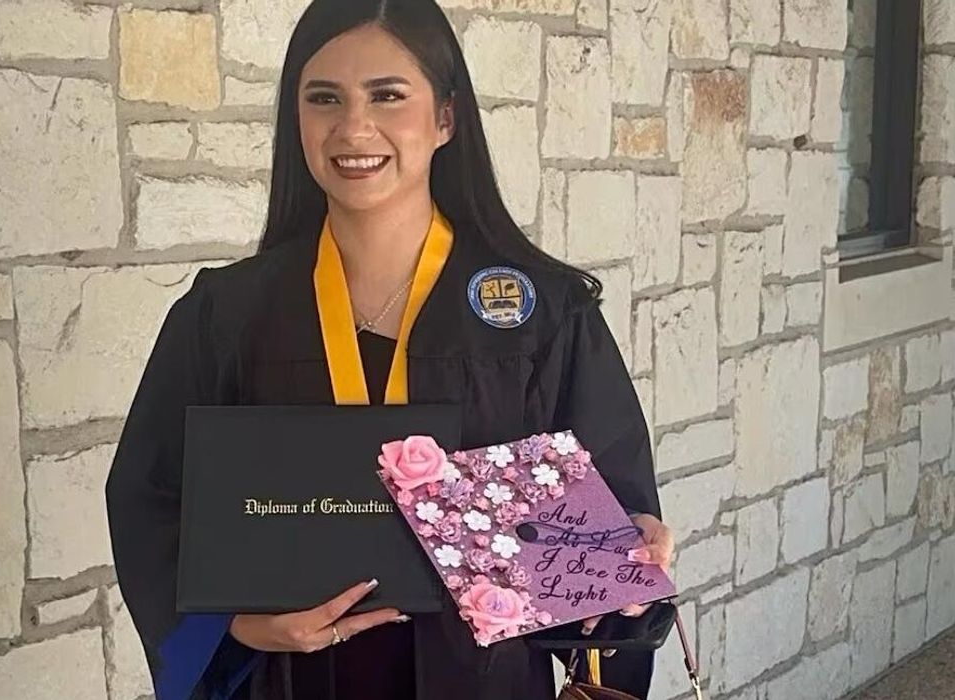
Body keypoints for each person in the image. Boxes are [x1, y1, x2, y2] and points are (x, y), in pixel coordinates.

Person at [105, 0, 676, 698]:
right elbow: (150, 500)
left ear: (446, 118)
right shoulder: (226, 315)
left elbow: (611, 527)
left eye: (387, 95)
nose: (353, 128)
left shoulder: (539, 317)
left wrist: (627, 565)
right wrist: (234, 625)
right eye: (324, 98)